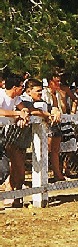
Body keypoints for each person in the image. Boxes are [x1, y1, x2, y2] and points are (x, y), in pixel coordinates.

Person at [1, 75, 31, 207]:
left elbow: (22, 107)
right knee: (4, 168)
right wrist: (17, 114)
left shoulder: (16, 98)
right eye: (21, 87)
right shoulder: (1, 95)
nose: (22, 89)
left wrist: (23, 112)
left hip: (2, 134)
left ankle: (11, 194)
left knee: (6, 167)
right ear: (14, 88)